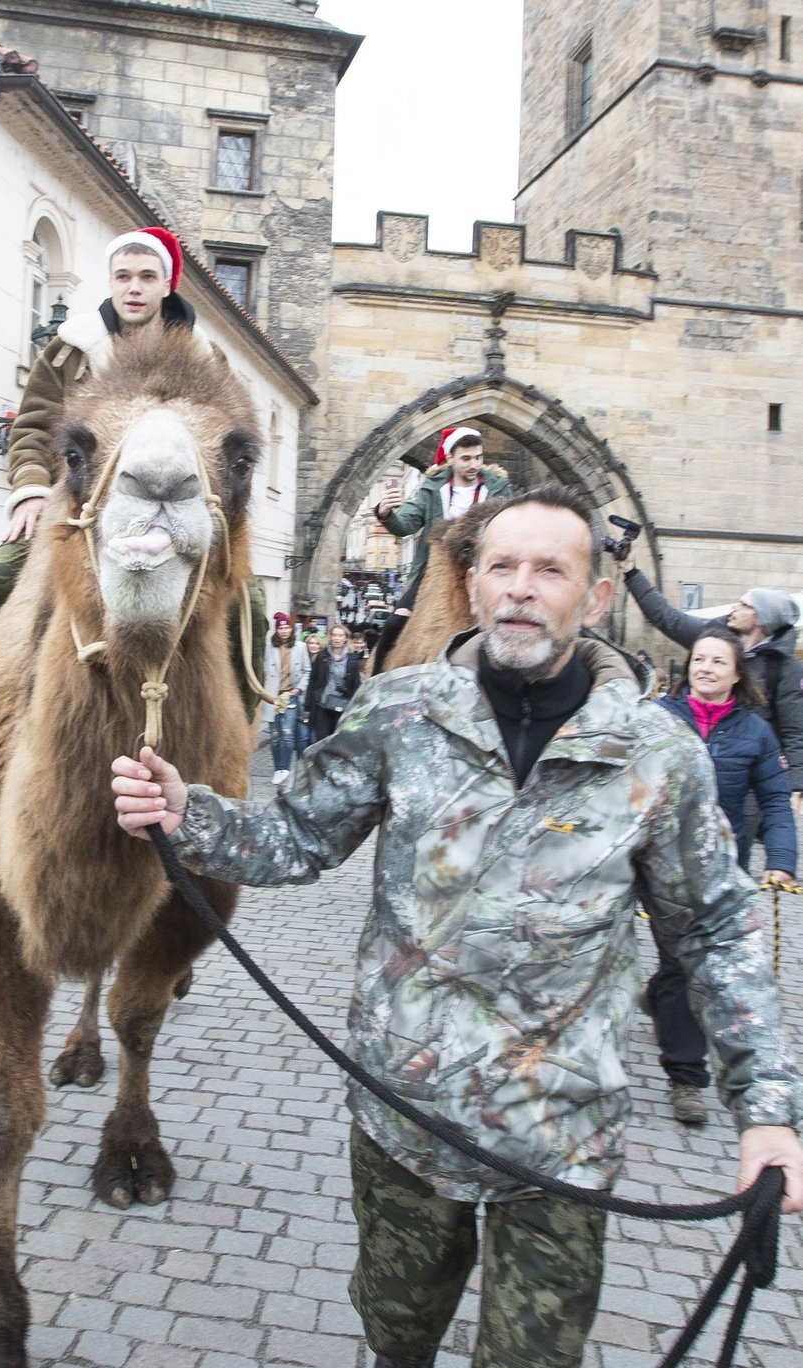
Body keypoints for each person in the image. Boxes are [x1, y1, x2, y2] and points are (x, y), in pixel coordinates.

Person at [113, 484, 803, 1368]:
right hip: (409, 1117)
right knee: (396, 1336)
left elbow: (713, 930)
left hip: (560, 1138)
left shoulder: (657, 756)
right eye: (502, 567)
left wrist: (768, 1109)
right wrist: (189, 814)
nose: (521, 587)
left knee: (532, 1357)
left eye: (550, 569)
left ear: (594, 598)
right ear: (473, 587)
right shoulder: (400, 714)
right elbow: (294, 838)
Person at [0, 226, 208, 656]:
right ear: (111, 281)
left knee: (251, 604)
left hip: (178, 503)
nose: (134, 288)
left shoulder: (202, 355)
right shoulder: (72, 347)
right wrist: (30, 492)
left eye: (147, 277)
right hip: (76, 504)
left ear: (167, 284)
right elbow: (32, 427)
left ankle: (242, 715)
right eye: (123, 276)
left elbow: (219, 437)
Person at [643, 627, 797, 1125]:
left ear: (736, 673)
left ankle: (684, 1070)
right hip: (656, 866)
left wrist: (781, 858)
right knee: (676, 967)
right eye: (699, 659)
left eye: (717, 661)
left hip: (717, 868)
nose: (705, 667)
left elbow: (774, 800)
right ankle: (684, 1071)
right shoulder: (658, 719)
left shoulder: (755, 732)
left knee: (688, 967)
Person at [619, 555, 803, 814]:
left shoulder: (785, 667)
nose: (734, 607)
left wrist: (795, 787)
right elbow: (666, 617)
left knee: (736, 839)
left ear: (761, 618)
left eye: (743, 604)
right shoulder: (713, 637)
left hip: (744, 777)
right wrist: (631, 572)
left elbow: (795, 731)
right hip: (692, 761)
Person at [372, 427, 513, 673]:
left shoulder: (498, 487)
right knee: (395, 624)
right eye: (466, 458)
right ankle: (376, 681)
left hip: (483, 569)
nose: (474, 464)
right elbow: (406, 523)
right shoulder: (432, 488)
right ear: (450, 458)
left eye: (478, 457)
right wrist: (386, 513)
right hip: (434, 571)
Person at [262, 612, 309, 786]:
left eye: (287, 627)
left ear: (291, 629)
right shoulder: (269, 647)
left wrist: (298, 689)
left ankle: (285, 768)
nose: (284, 631)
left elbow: (306, 670)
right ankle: (278, 769)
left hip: (290, 694)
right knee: (275, 735)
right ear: (276, 630)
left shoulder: (300, 647)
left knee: (287, 733)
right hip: (272, 696)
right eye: (281, 628)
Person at [305, 623, 362, 743]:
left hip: (342, 705)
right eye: (334, 635)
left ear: (345, 638)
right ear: (330, 637)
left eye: (340, 635)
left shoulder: (352, 659)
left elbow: (356, 684)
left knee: (337, 740)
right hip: (322, 704)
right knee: (321, 739)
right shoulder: (322, 656)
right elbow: (313, 681)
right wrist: (308, 705)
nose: (337, 638)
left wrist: (356, 707)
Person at [296, 632, 323, 752]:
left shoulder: (323, 660)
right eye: (311, 643)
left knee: (314, 738)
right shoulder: (301, 659)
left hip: (316, 705)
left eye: (316, 643)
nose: (313, 646)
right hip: (302, 702)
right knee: (302, 737)